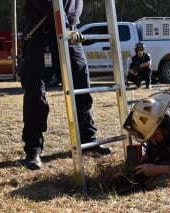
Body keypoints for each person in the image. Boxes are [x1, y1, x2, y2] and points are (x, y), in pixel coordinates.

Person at [21, 0, 111, 170]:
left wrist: (68, 27)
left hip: (70, 33)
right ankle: (33, 150)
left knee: (82, 89)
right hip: (41, 34)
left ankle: (88, 140)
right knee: (35, 94)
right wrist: (62, 23)